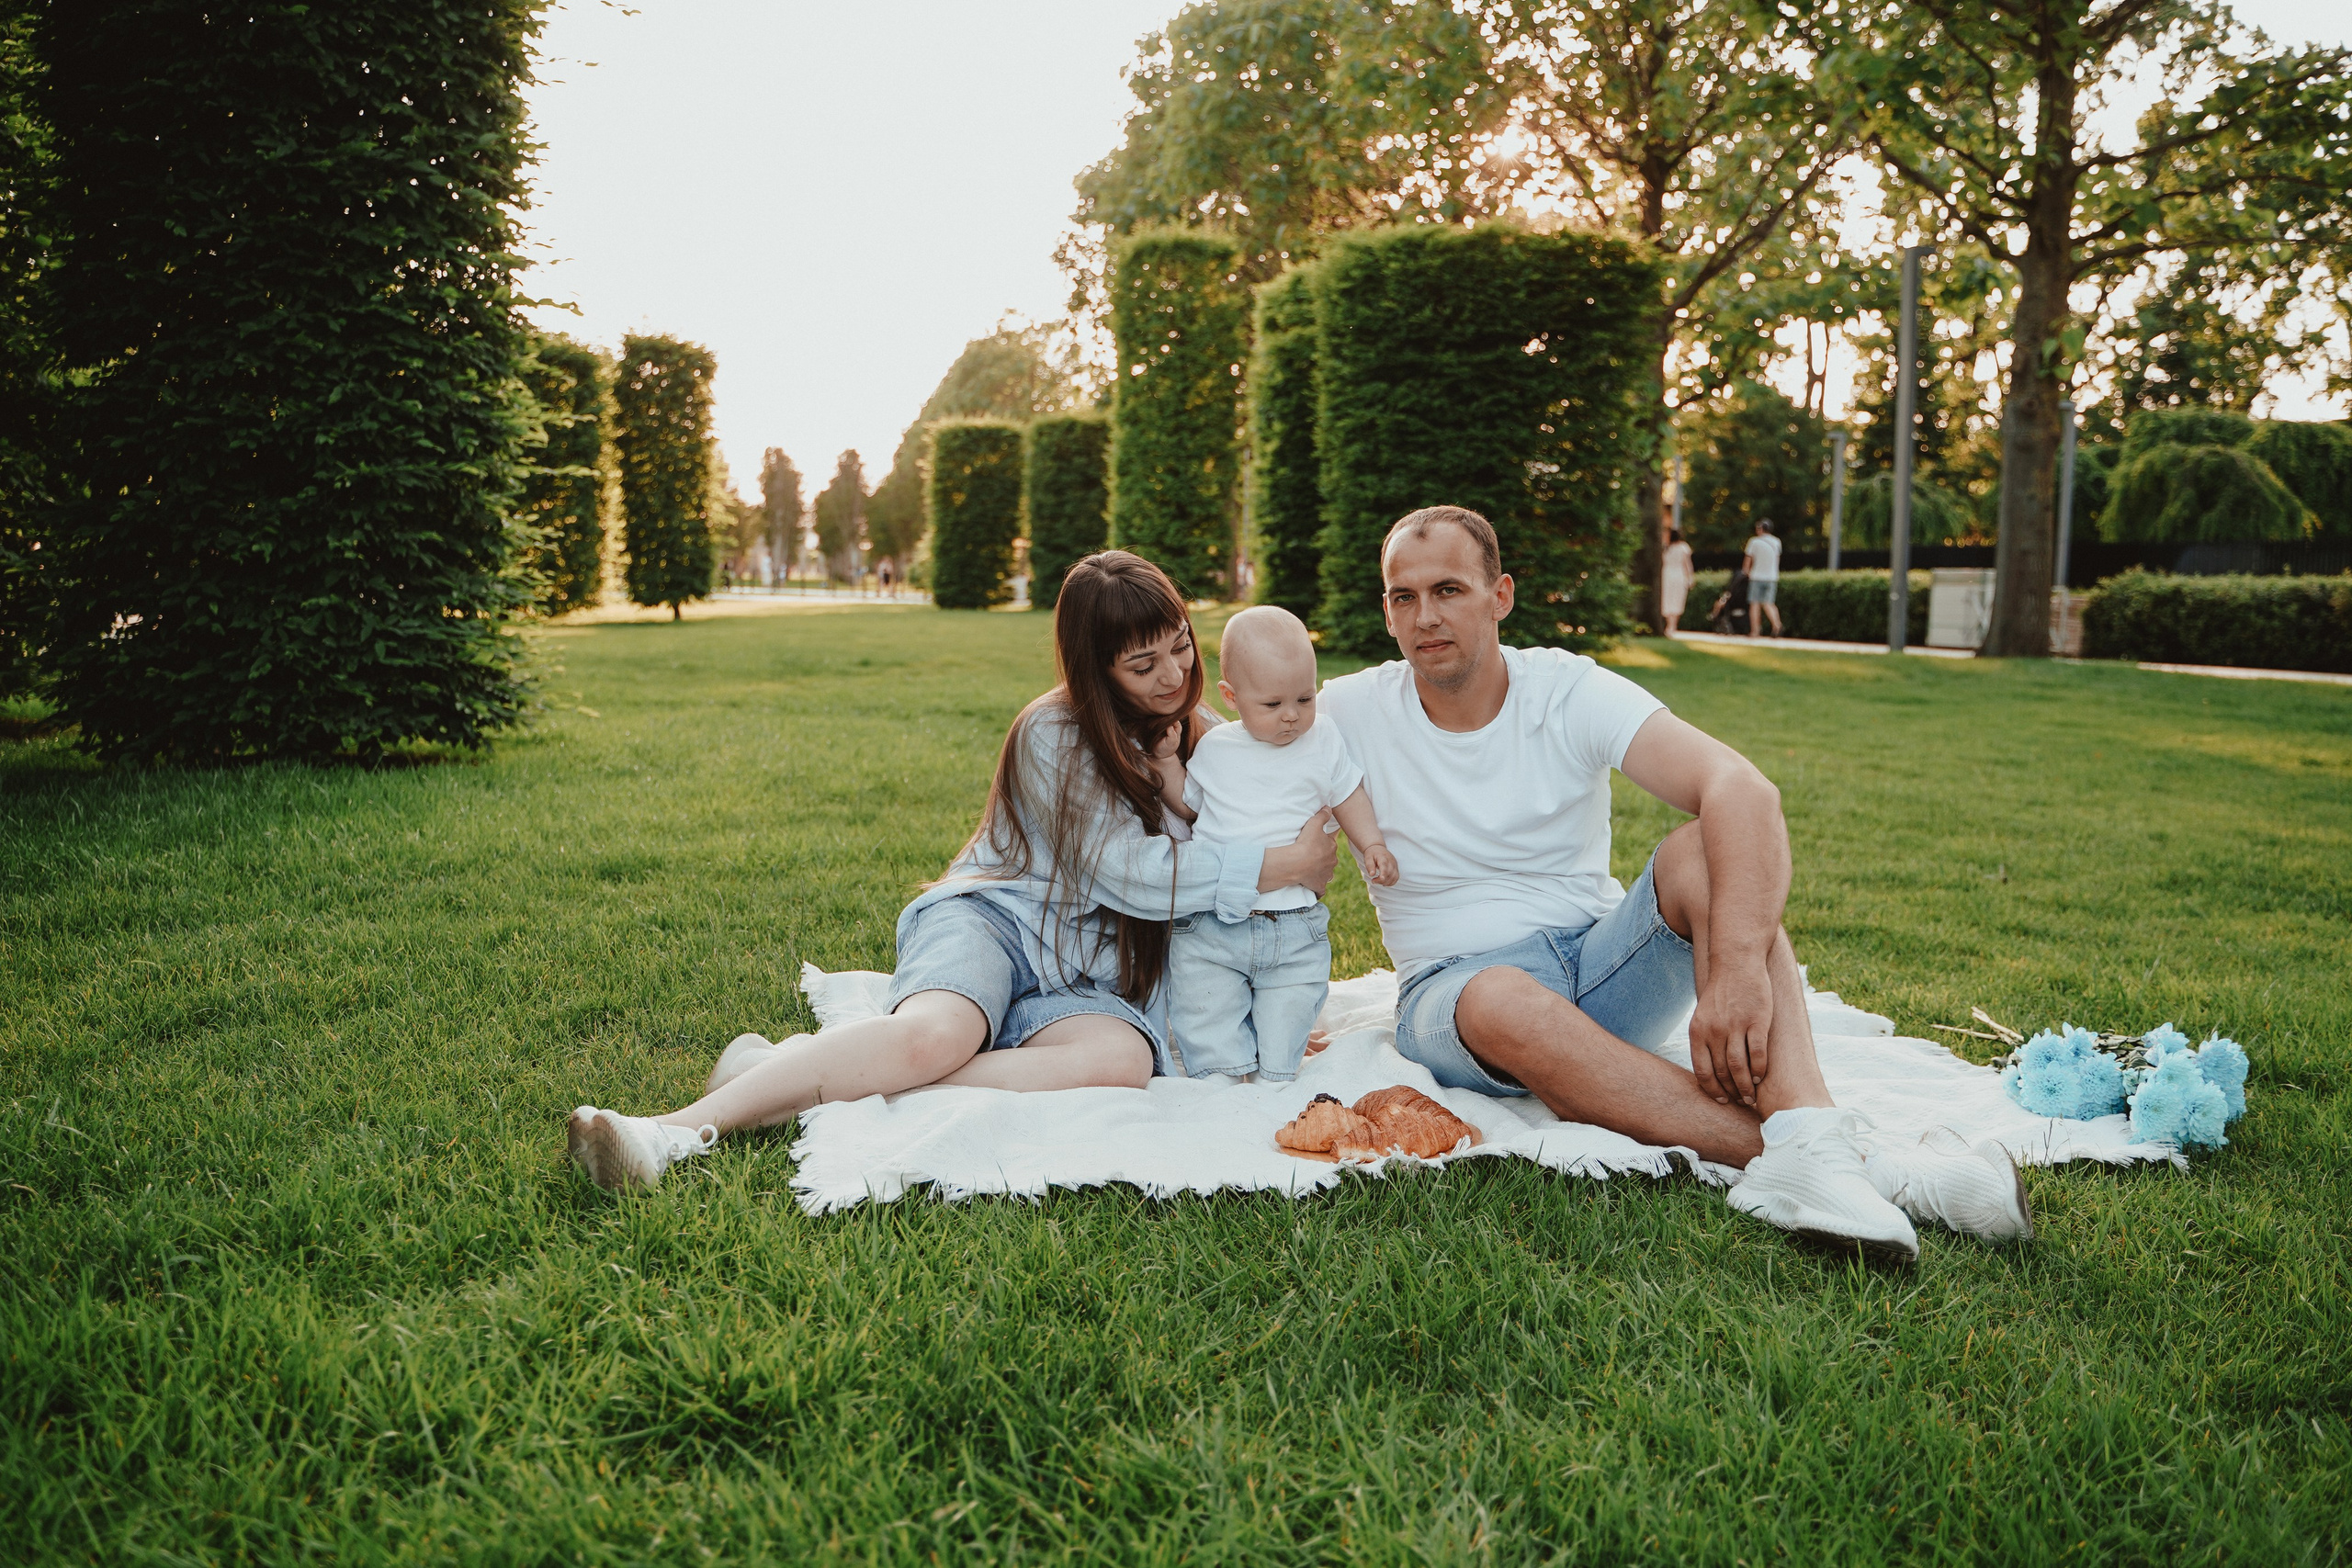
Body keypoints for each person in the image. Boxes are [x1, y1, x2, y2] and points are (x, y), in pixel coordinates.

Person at [1318, 506, 2030, 1260]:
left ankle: (1811, 1138)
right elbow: (1224, 772)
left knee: (1704, 854)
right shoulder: (1346, 710)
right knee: (1502, 995)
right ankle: (1874, 1166)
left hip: (1597, 965)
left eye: (1449, 590)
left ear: (1501, 596)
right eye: (1403, 597)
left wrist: (1737, 976)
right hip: (1458, 998)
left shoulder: (1564, 689)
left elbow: (1741, 789)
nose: (1425, 616)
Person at [564, 550, 1341, 1190]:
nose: (1174, 674)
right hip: (994, 922)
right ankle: (663, 1135)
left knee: (1122, 1060)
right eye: (1144, 663)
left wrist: (1253, 994)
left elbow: (1206, 897)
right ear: (1095, 668)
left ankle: (798, 1070)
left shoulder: (1209, 735)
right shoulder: (1052, 733)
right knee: (929, 1039)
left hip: (1089, 975)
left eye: (1181, 646)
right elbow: (1133, 876)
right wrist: (1280, 866)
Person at [1156, 605, 1399, 1081]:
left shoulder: (1323, 738)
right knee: (1206, 1013)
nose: (1291, 717)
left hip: (1295, 927)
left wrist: (1371, 843)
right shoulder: (1216, 749)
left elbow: (1347, 792)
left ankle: (1276, 1076)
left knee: (1288, 1022)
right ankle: (1222, 1081)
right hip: (1215, 923)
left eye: (1304, 699)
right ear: (1231, 696)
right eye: (1272, 705)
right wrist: (1165, 766)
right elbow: (1189, 805)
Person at [1743, 519, 1783, 638]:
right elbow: (1777, 559)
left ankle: (1755, 631)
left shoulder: (1754, 542)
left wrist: (1747, 572)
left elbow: (1747, 561)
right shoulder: (1777, 542)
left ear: (1760, 529)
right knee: (1769, 603)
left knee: (1754, 604)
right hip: (1771, 577)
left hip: (1756, 576)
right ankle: (1777, 625)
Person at [1659, 527, 1695, 636]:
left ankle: (1671, 625)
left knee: (1672, 598)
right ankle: (1672, 625)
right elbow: (1688, 564)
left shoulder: (1670, 548)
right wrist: (1690, 577)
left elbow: (1686, 564)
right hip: (1675, 575)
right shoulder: (1676, 547)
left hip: (1670, 574)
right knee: (1673, 598)